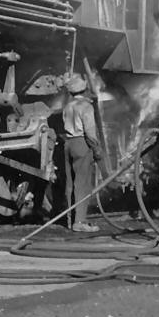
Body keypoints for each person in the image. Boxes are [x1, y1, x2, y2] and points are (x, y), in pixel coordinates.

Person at [56, 74, 106, 232]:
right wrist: (97, 149)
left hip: (68, 144)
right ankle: (79, 222)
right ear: (84, 90)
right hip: (82, 144)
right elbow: (90, 132)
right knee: (82, 184)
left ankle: (70, 219)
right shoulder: (86, 107)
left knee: (70, 184)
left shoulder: (67, 107)